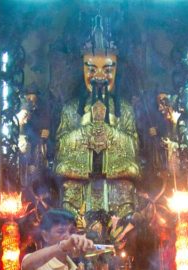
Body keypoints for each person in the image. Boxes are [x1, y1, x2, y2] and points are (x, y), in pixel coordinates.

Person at [54, 15, 140, 227]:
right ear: (82, 69)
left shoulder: (125, 109)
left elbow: (133, 149)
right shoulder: (71, 109)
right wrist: (87, 128)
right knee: (67, 187)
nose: (99, 76)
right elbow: (61, 148)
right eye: (91, 69)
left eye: (108, 69)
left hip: (116, 184)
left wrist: (108, 130)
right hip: (79, 184)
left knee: (128, 183)